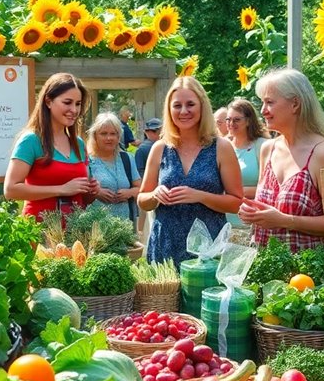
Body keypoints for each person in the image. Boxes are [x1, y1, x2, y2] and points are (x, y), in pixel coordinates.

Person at [138, 77, 242, 264]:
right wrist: (154, 194)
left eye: (190, 104)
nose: (184, 111)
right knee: (162, 295)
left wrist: (200, 196)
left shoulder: (221, 147)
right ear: (169, 110)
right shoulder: (160, 148)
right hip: (165, 248)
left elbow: (236, 202)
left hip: (208, 250)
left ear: (202, 106)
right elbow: (142, 200)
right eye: (177, 105)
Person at [238, 67, 324, 253]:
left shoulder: (323, 152)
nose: (263, 110)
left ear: (295, 104)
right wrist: (252, 212)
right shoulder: (268, 149)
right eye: (263, 102)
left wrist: (285, 221)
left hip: (311, 276)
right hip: (268, 272)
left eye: (269, 102)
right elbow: (268, 206)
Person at [4, 73, 99, 220]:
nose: (74, 110)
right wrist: (62, 190)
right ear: (48, 101)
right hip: (39, 231)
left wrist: (91, 192)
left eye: (78, 104)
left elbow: (83, 199)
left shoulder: (79, 143)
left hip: (75, 233)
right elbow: (10, 190)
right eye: (67, 102)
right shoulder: (31, 140)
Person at [86, 113, 140, 225]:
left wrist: (129, 192)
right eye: (103, 134)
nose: (109, 138)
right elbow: (79, 191)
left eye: (113, 134)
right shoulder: (87, 161)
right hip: (96, 229)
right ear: (95, 136)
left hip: (126, 228)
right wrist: (97, 193)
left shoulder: (127, 158)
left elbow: (141, 189)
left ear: (118, 136)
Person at [225, 98, 268, 227]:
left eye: (236, 119)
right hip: (224, 223)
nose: (231, 123)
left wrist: (232, 193)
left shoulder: (262, 146)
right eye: (228, 119)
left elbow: (269, 189)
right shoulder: (223, 146)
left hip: (251, 223)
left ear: (249, 121)